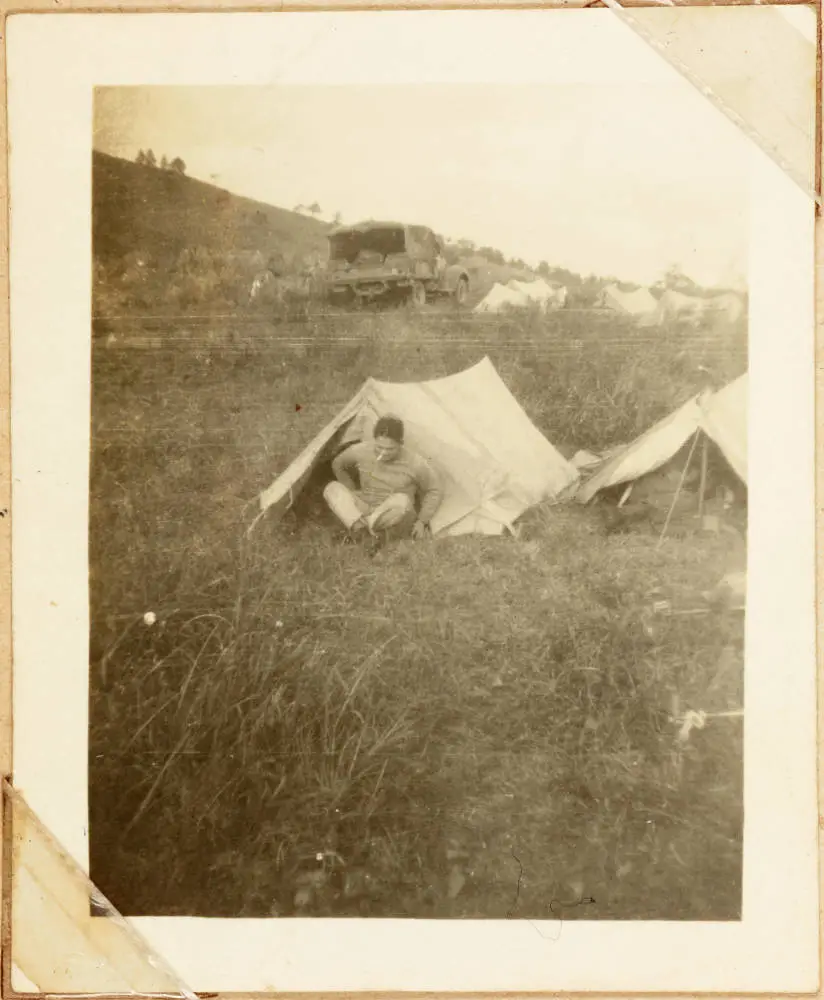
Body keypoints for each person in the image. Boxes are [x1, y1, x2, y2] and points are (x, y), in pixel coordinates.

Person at [323, 415, 443, 546]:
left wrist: (422, 521)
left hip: (393, 513)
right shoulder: (362, 450)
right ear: (374, 440)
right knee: (332, 488)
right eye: (379, 447)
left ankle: (361, 529)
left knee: (402, 500)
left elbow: (434, 489)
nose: (383, 452)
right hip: (366, 505)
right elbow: (338, 463)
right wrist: (351, 489)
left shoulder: (415, 462)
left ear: (401, 443)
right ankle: (362, 530)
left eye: (390, 449)